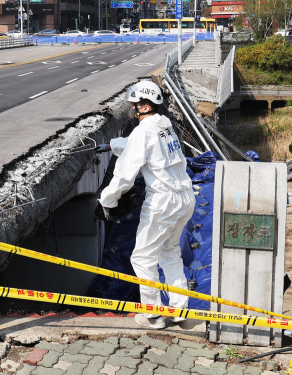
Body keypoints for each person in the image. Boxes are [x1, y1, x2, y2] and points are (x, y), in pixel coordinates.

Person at [98, 81, 195, 330]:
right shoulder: (165, 126)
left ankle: (152, 315)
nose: (131, 109)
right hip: (185, 199)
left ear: (142, 105)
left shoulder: (143, 132)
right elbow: (140, 147)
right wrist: (113, 145)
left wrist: (107, 200)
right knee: (170, 253)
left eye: (133, 105)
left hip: (164, 203)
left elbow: (124, 176)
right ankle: (179, 309)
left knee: (142, 258)